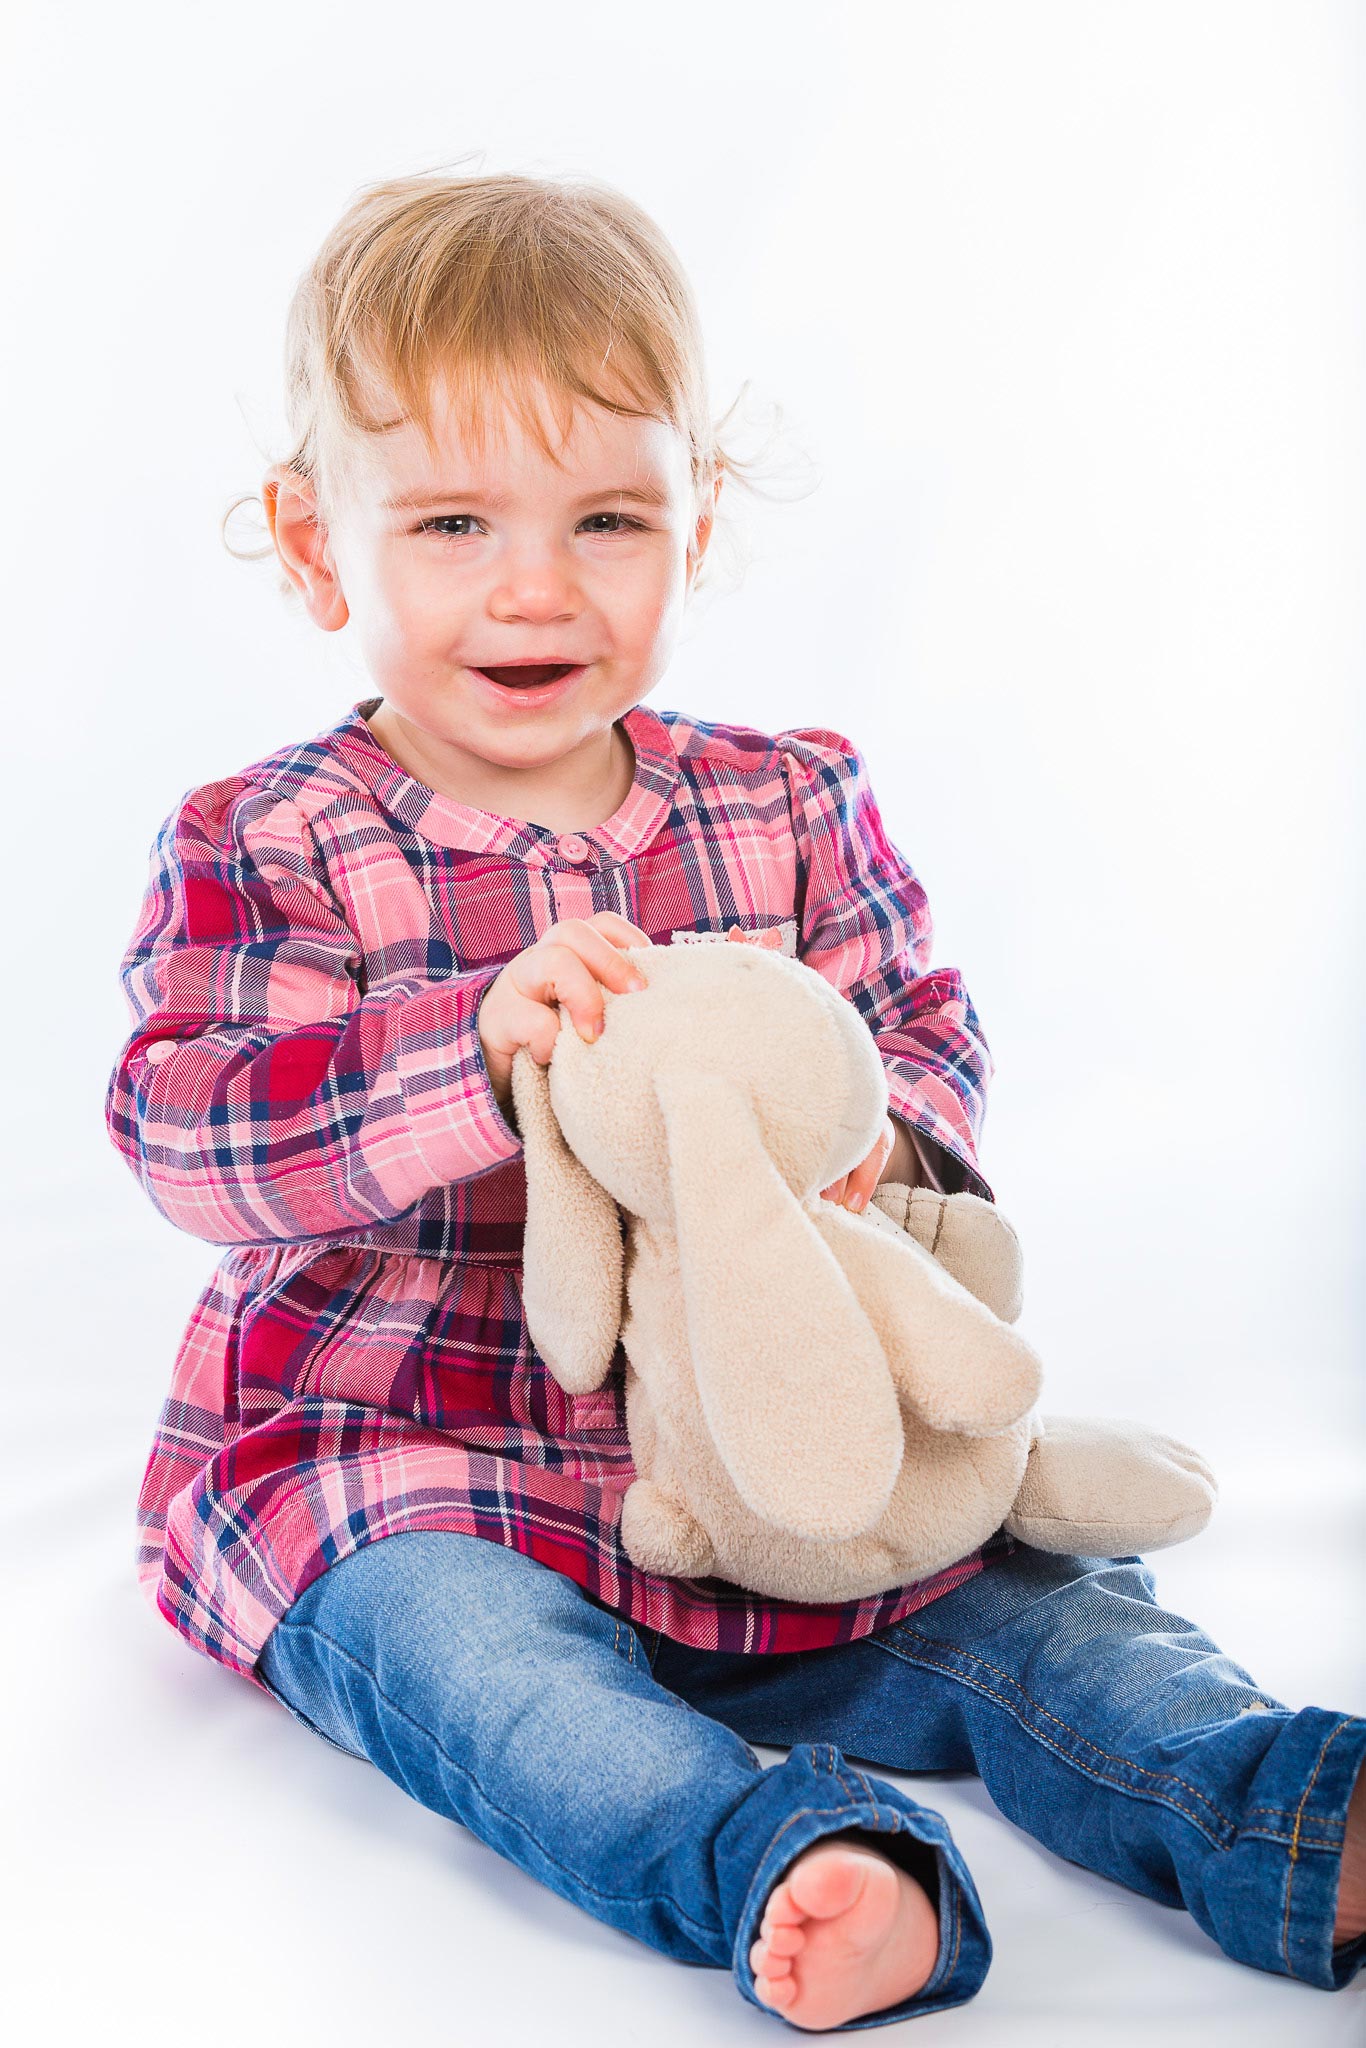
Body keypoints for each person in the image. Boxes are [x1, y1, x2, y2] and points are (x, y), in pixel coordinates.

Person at [105, 168, 1366, 2030]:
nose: (536, 586)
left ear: (694, 524)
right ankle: (787, 1861)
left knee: (1033, 1597)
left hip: (779, 1458)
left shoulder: (783, 800)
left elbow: (916, 1020)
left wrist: (884, 1142)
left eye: (607, 519)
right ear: (316, 547)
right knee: (474, 1675)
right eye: (450, 522)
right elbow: (192, 1128)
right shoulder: (273, 837)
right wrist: (471, 1048)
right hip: (412, 1456)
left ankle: (1270, 1804)